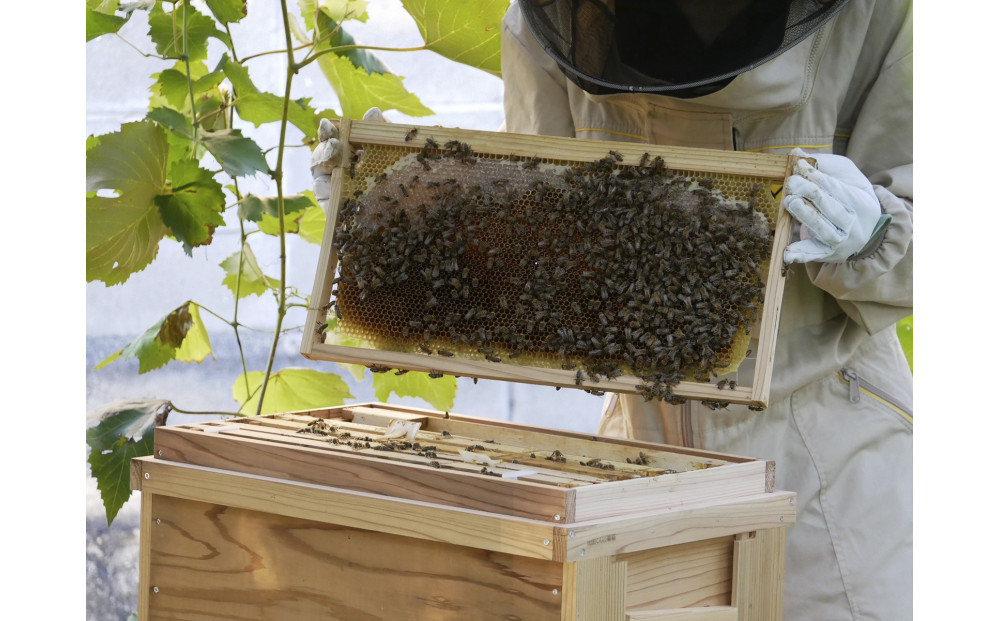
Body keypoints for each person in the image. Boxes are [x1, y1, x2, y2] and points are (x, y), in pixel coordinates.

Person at [500, 0, 912, 619]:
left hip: (829, 470)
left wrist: (878, 235)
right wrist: (387, 215)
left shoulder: (882, 14)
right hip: (638, 465)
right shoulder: (552, 16)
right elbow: (534, 240)